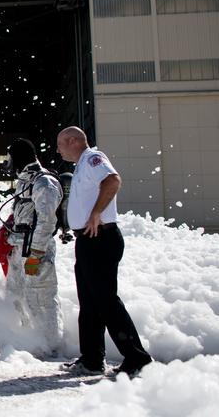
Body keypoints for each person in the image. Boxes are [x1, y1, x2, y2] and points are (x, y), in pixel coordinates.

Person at [56, 126, 153, 377]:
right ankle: (91, 359)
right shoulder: (81, 165)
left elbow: (113, 180)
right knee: (89, 302)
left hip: (101, 237)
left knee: (106, 301)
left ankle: (136, 357)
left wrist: (97, 212)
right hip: (88, 240)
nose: (58, 150)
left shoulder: (93, 158)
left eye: (60, 144)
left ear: (73, 141)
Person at [2, 138, 64, 357]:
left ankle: (51, 347)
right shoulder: (25, 181)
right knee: (15, 296)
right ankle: (27, 343)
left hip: (37, 251)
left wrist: (36, 254)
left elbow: (47, 221)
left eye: (11, 158)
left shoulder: (43, 182)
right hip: (20, 248)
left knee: (41, 298)